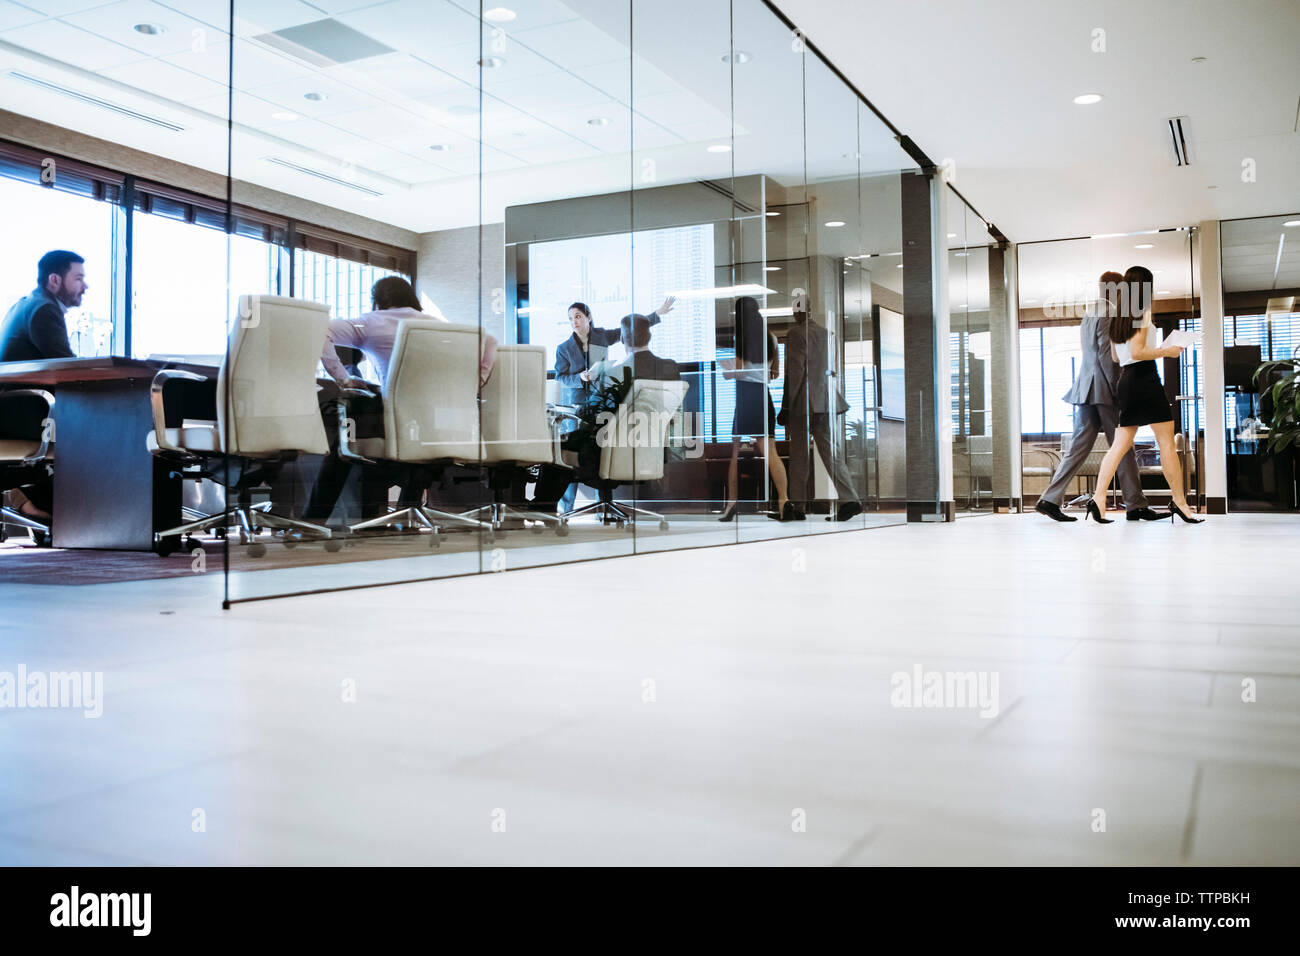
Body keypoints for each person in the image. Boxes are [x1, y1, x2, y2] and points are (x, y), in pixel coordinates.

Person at [302, 276, 498, 527]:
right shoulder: (441, 326)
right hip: (441, 425)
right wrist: (476, 381)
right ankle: (406, 513)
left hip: (394, 419)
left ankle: (313, 521)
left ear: (379, 300)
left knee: (343, 449)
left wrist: (343, 378)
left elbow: (320, 329)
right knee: (403, 452)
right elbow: (490, 341)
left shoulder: (372, 322)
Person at [1036, 271, 1162, 522]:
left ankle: (1049, 499)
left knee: (1078, 449)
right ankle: (1135, 504)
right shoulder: (1110, 312)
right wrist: (1119, 389)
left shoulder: (1091, 311)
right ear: (1117, 290)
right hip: (1103, 390)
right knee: (1123, 445)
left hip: (1085, 388)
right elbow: (1107, 356)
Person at [1087, 265, 1203, 524]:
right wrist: (1167, 351)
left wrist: (1155, 348)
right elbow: (1139, 352)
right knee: (1166, 445)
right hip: (1145, 379)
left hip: (1126, 381)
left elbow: (1118, 356)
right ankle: (1180, 503)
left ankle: (1098, 499)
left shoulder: (1118, 316)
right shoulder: (1142, 310)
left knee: (1118, 446)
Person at [531, 313, 680, 512]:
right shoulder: (669, 367)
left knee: (558, 445)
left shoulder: (613, 370)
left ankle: (542, 509)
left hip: (611, 451)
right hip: (652, 449)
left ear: (622, 339)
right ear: (649, 337)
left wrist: (579, 408)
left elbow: (590, 414)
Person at [0, 250, 87, 522]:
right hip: (22, 413)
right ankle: (93, 514)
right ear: (55, 280)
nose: (85, 286)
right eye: (78, 278)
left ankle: (30, 495)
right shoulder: (44, 309)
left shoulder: (27, 303)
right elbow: (66, 366)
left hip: (14, 408)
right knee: (106, 427)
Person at [778, 291, 862, 522]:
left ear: (797, 311)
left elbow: (795, 372)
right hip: (826, 401)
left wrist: (786, 407)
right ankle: (849, 499)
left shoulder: (796, 334)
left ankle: (797, 506)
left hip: (804, 403)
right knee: (830, 451)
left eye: (794, 310)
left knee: (799, 455)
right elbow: (831, 371)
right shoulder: (827, 334)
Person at [718, 295, 799, 522]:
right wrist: (759, 371)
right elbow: (775, 374)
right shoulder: (770, 337)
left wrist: (726, 371)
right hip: (763, 395)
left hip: (745, 395)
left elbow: (739, 370)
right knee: (771, 452)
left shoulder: (741, 336)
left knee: (734, 453)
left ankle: (731, 505)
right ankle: (784, 501)